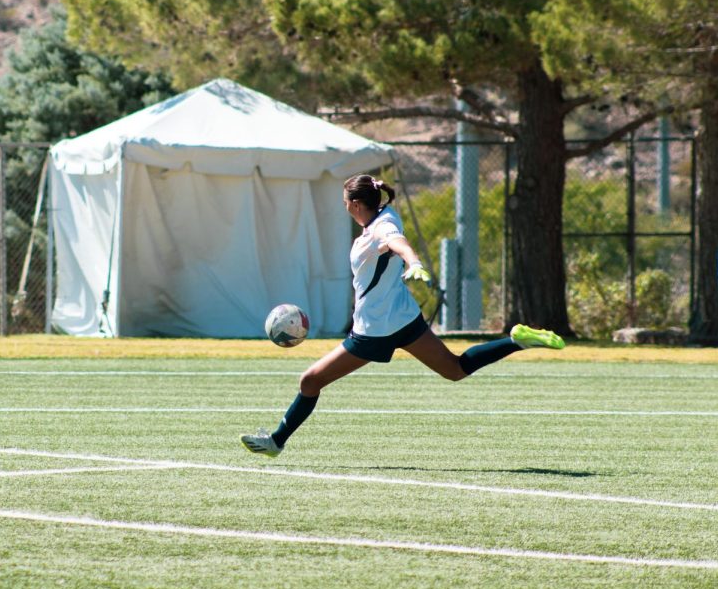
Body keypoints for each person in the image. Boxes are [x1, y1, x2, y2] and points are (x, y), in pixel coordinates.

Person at [240, 174, 566, 458]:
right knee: (454, 370)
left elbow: (397, 242)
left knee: (310, 381)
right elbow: (392, 241)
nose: (344, 208)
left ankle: (276, 442)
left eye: (344, 202)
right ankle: (515, 341)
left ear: (355, 204)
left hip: (374, 330)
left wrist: (414, 262)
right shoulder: (384, 215)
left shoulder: (381, 226)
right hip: (404, 318)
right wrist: (410, 263)